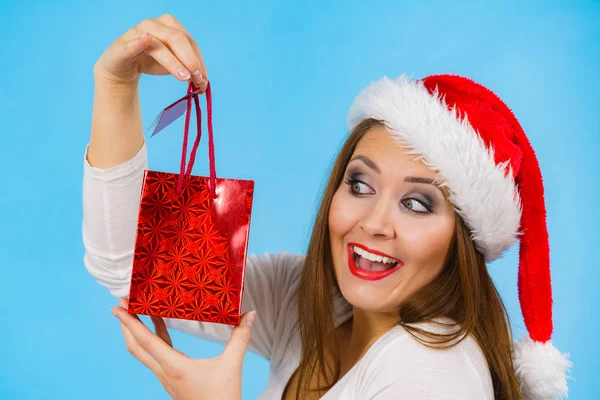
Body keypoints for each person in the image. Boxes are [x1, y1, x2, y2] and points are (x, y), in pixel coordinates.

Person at [82, 14, 571, 400]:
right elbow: (137, 265)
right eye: (360, 185)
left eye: (417, 203)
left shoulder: (434, 377)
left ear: (462, 242)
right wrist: (116, 86)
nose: (374, 223)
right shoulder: (309, 300)